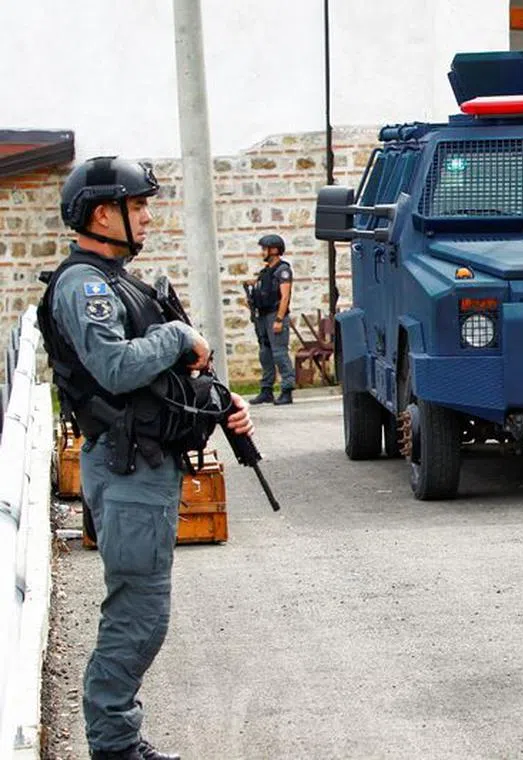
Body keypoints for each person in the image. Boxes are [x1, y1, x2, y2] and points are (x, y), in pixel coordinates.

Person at [38, 156, 254, 760]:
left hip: (149, 465)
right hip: (127, 469)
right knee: (136, 616)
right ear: (103, 213)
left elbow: (161, 383)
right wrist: (181, 337)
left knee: (143, 613)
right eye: (137, 206)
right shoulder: (84, 286)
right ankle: (114, 748)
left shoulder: (117, 281)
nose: (147, 216)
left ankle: (119, 743)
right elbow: (116, 367)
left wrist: (223, 402)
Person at [246, 233, 295, 405]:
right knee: (265, 353)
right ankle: (266, 390)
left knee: (279, 353)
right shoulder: (266, 272)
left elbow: (285, 296)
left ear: (274, 250)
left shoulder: (283, 271)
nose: (262, 252)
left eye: (265, 249)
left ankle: (287, 389)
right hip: (263, 316)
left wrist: (280, 319)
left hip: (275, 315)